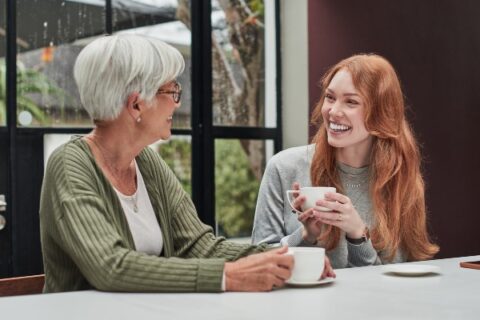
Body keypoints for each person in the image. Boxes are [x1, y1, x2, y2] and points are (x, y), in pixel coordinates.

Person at [39, 34, 334, 293]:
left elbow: (198, 246)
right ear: (136, 104)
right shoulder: (69, 165)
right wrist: (227, 276)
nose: (177, 103)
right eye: (171, 92)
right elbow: (110, 266)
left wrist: (287, 258)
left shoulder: (147, 163)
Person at [252, 54, 439, 268]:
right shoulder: (283, 167)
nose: (333, 111)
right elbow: (259, 262)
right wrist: (306, 236)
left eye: (351, 102)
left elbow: (398, 278)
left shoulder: (400, 177)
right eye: (330, 97)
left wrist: (358, 235)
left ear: (381, 114)